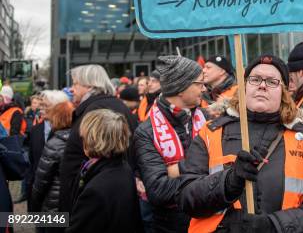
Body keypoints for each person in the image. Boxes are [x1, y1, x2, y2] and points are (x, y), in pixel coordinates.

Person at [178, 54, 303, 232]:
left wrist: (273, 225)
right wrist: (228, 181)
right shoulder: (210, 133)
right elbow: (186, 198)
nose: (263, 85)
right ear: (244, 87)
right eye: (255, 79)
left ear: (284, 92)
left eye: (272, 81)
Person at [134, 55, 206, 233]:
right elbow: (158, 191)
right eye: (199, 83)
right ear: (181, 88)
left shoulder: (208, 118)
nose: (204, 89)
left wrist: (177, 170)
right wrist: (205, 174)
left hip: (211, 221)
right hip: (172, 226)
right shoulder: (146, 132)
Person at [58, 64, 138, 214]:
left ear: (90, 86)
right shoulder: (115, 105)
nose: (71, 89)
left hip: (93, 200)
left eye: (75, 83)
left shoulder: (96, 110)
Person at [66, 109, 143, 233]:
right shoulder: (122, 167)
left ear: (93, 139)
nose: (81, 139)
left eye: (84, 136)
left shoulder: (96, 190)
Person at [26, 90, 70, 210]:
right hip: (40, 200)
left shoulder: (70, 134)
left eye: (45, 105)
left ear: (58, 108)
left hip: (58, 204)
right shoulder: (35, 130)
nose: (41, 108)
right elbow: (32, 164)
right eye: (41, 105)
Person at [30, 101, 75, 219]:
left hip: (54, 206)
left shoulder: (54, 144)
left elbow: (41, 182)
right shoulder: (79, 139)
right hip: (73, 205)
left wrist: (34, 210)